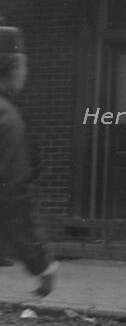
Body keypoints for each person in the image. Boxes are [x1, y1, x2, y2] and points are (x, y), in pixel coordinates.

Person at [0, 26, 57, 296]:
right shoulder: (6, 118)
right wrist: (41, 264)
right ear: (13, 67)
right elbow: (14, 195)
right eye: (24, 65)